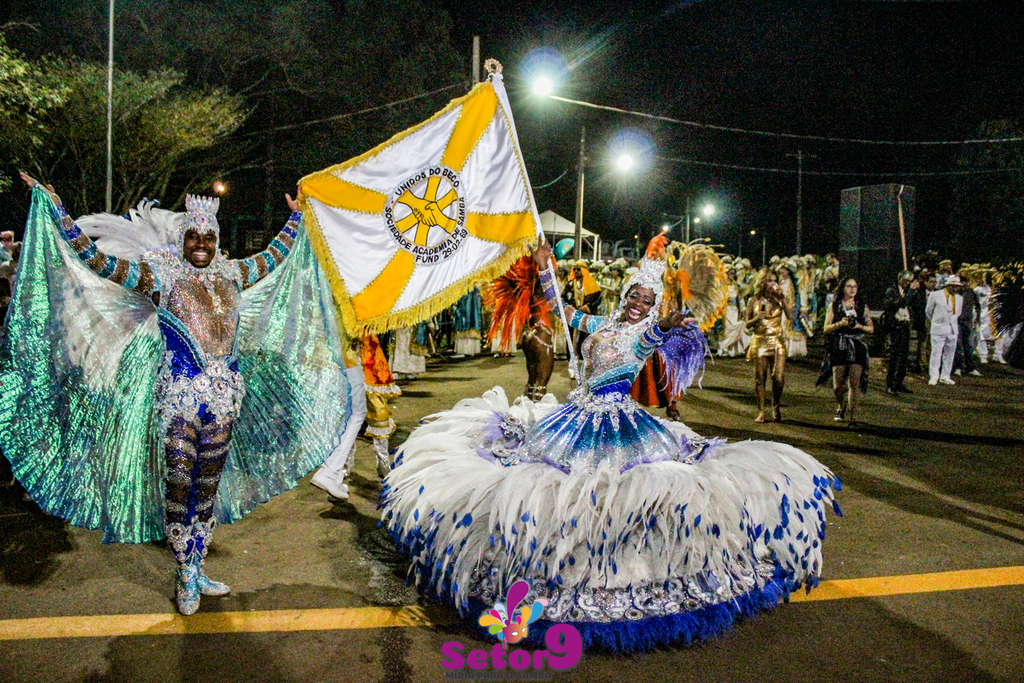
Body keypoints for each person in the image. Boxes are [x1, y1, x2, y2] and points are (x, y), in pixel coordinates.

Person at [380, 238, 841, 653]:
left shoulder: (644, 333)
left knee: (616, 499)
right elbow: (562, 306)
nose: (640, 304)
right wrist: (544, 268)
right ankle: (547, 577)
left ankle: (620, 581)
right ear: (625, 297)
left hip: (618, 425)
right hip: (573, 417)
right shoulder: (598, 321)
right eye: (635, 297)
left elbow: (655, 335)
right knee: (552, 493)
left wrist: (667, 323)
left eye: (648, 300)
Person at [6, 174, 351, 615]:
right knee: (179, 481)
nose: (202, 244)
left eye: (209, 237)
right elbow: (96, 261)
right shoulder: (161, 276)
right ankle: (184, 571)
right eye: (194, 236)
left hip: (226, 403)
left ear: (217, 239)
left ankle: (196, 564)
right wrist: (59, 212)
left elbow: (276, 255)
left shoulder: (233, 273)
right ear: (184, 239)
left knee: (206, 489)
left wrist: (297, 218)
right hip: (179, 403)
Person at [818, 277, 873, 424]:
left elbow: (871, 328)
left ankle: (853, 415)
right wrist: (839, 324)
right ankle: (841, 405)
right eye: (849, 286)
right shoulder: (835, 306)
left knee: (854, 383)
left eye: (855, 286)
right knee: (838, 386)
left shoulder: (862, 306)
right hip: (840, 344)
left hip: (858, 344)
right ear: (843, 288)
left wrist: (859, 327)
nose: (852, 289)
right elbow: (826, 328)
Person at [745, 271, 793, 422]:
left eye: (775, 281)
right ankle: (761, 411)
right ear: (763, 283)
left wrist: (783, 299)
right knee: (760, 377)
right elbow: (747, 324)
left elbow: (790, 316)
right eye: (769, 281)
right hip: (760, 341)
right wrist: (756, 318)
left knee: (778, 377)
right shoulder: (754, 300)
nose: (773, 284)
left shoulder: (779, 300)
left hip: (777, 341)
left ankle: (776, 405)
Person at [883, 271, 917, 394]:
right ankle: (890, 383)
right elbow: (901, 304)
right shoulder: (891, 291)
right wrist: (911, 292)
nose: (907, 284)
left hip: (905, 325)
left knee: (904, 356)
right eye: (906, 281)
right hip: (895, 326)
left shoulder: (907, 292)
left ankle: (899, 382)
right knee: (894, 356)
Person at [924, 275, 963, 385]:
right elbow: (928, 311)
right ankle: (934, 376)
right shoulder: (935, 295)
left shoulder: (959, 298)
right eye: (954, 286)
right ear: (949, 286)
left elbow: (957, 313)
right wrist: (937, 322)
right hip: (938, 328)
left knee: (949, 354)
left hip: (952, 329)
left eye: (957, 287)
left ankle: (945, 375)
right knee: (936, 353)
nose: (956, 289)